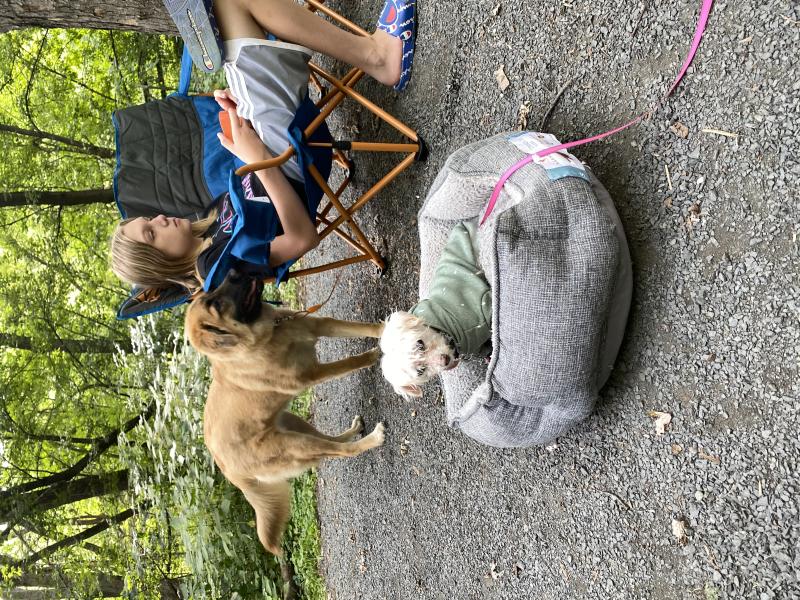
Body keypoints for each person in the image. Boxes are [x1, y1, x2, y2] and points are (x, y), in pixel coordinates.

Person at [110, 0, 416, 292]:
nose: (160, 219)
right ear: (160, 263)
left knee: (224, 12)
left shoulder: (209, 219)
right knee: (231, 7)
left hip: (276, 150)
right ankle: (378, 57)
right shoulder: (218, 268)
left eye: (149, 220)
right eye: (152, 234)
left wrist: (239, 116)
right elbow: (302, 239)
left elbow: (250, 186)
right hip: (294, 162)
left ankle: (372, 54)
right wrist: (257, 157)